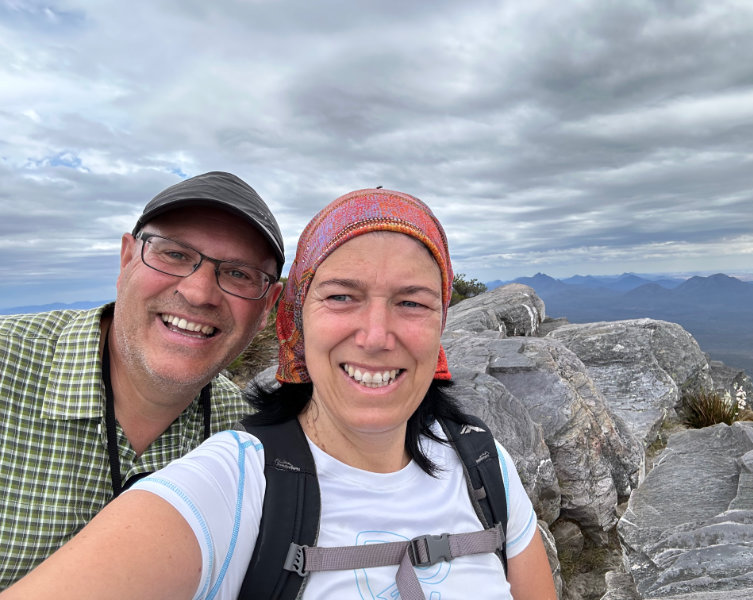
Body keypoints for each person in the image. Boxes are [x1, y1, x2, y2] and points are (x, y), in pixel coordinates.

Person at [1, 188, 557, 600]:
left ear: (441, 323)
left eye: (412, 301)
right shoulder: (237, 475)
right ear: (296, 322)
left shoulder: (483, 464)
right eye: (342, 296)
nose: (376, 335)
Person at [0, 171, 285, 589]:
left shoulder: (248, 437)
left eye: (240, 274)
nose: (199, 292)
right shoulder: (9, 366)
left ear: (267, 307)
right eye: (174, 255)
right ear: (127, 258)